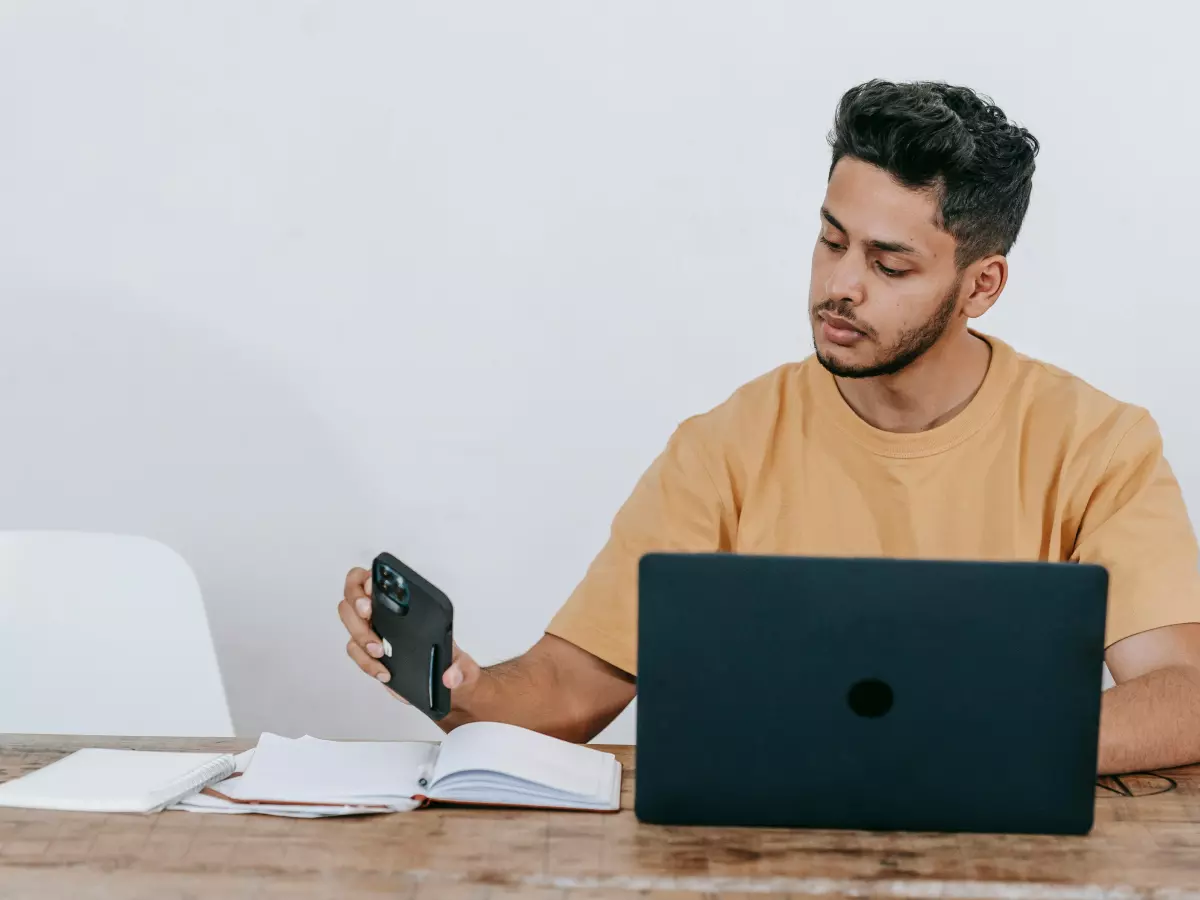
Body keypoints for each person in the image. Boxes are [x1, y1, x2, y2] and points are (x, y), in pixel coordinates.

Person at [338, 80, 1200, 775]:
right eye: (831, 242)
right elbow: (570, 686)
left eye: (888, 262)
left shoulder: (1096, 443)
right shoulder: (727, 444)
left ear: (981, 287)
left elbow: (1182, 692)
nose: (841, 287)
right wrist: (457, 683)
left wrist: (947, 742)